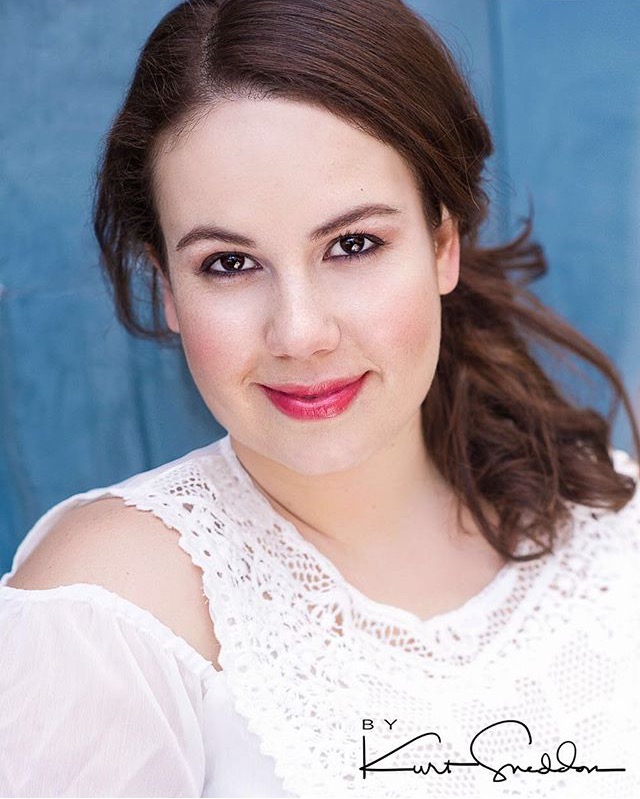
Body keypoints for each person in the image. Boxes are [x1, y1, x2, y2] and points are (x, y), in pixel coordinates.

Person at [1, 0, 639, 796]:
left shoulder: (615, 531)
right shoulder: (108, 610)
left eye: (353, 245)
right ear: (167, 287)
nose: (299, 333)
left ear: (444, 246)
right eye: (229, 263)